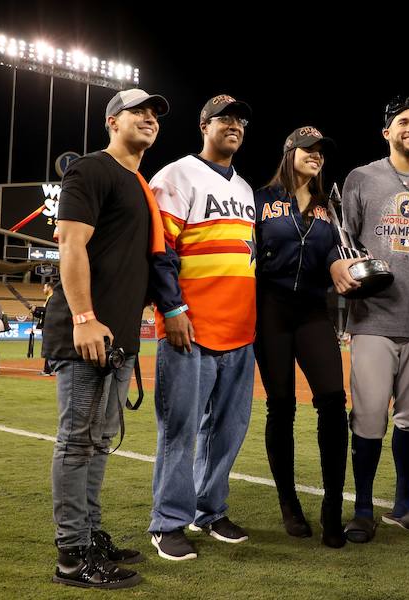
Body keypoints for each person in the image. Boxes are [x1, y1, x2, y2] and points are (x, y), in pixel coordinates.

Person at [42, 87, 169, 589]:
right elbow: (71, 244)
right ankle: (72, 556)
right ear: (112, 121)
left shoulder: (136, 182)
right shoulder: (91, 169)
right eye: (138, 111)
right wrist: (83, 318)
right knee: (77, 443)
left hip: (116, 337)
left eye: (155, 114)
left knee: (97, 443)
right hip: (87, 331)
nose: (149, 119)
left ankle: (91, 536)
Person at [147, 94, 257, 561]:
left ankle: (209, 510)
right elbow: (160, 252)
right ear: (203, 125)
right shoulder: (175, 174)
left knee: (227, 431)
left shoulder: (247, 189)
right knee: (181, 429)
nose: (233, 125)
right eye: (224, 118)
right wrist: (171, 311)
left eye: (240, 121)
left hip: (241, 330)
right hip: (190, 329)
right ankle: (168, 522)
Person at [329, 96, 409, 542]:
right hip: (373, 317)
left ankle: (404, 505)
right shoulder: (362, 177)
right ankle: (362, 509)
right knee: (369, 417)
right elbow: (344, 243)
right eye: (402, 122)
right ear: (386, 132)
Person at [254, 126, 348, 548]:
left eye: (321, 152)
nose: (316, 156)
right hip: (270, 309)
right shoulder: (262, 199)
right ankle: (289, 502)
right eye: (308, 149)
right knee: (282, 406)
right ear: (288, 151)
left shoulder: (329, 207)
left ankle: (332, 507)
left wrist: (335, 265)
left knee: (332, 399)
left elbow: (335, 249)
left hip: (312, 310)